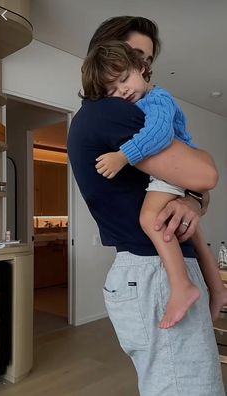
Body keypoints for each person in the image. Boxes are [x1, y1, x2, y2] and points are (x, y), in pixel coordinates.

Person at [68, 16, 225, 396]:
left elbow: (195, 181)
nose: (142, 68)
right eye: (134, 54)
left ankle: (214, 287)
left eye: (146, 60)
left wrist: (193, 198)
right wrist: (197, 190)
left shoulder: (139, 107)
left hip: (153, 267)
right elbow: (205, 173)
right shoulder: (112, 112)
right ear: (104, 54)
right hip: (152, 270)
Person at [81, 40, 227, 329]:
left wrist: (124, 156)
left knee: (150, 218)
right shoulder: (140, 103)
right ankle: (218, 289)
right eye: (111, 91)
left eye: (124, 79)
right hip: (170, 178)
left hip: (168, 176)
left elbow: (159, 135)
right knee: (193, 234)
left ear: (141, 67)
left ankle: (182, 286)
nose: (121, 91)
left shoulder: (158, 99)